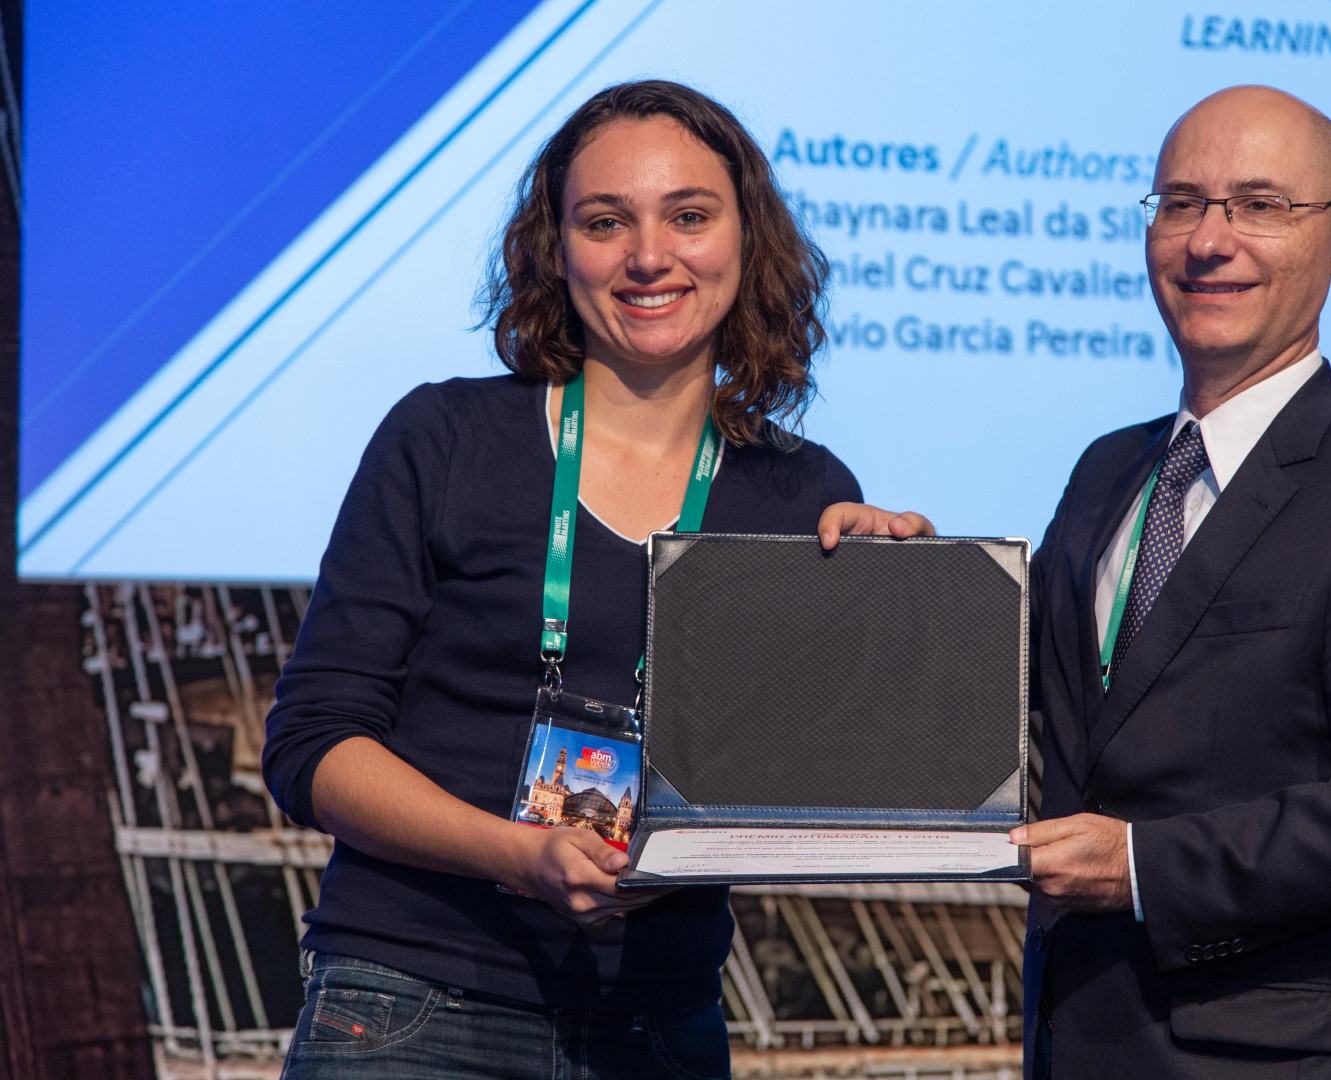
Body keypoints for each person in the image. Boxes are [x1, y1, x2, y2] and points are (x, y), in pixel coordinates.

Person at [262, 79, 917, 1079]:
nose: (649, 256)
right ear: (555, 249)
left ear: (748, 241)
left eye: (689, 216)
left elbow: (823, 784)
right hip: (411, 1004)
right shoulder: (446, 437)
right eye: (606, 221)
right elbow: (313, 745)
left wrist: (896, 602)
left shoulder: (806, 495)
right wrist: (515, 853)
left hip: (659, 1025)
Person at [1012, 86, 1331, 1078]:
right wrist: (902, 582)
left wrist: (1144, 865)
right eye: (1181, 203)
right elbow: (1035, 723)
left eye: (1261, 205)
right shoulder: (1106, 471)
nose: (1210, 240)